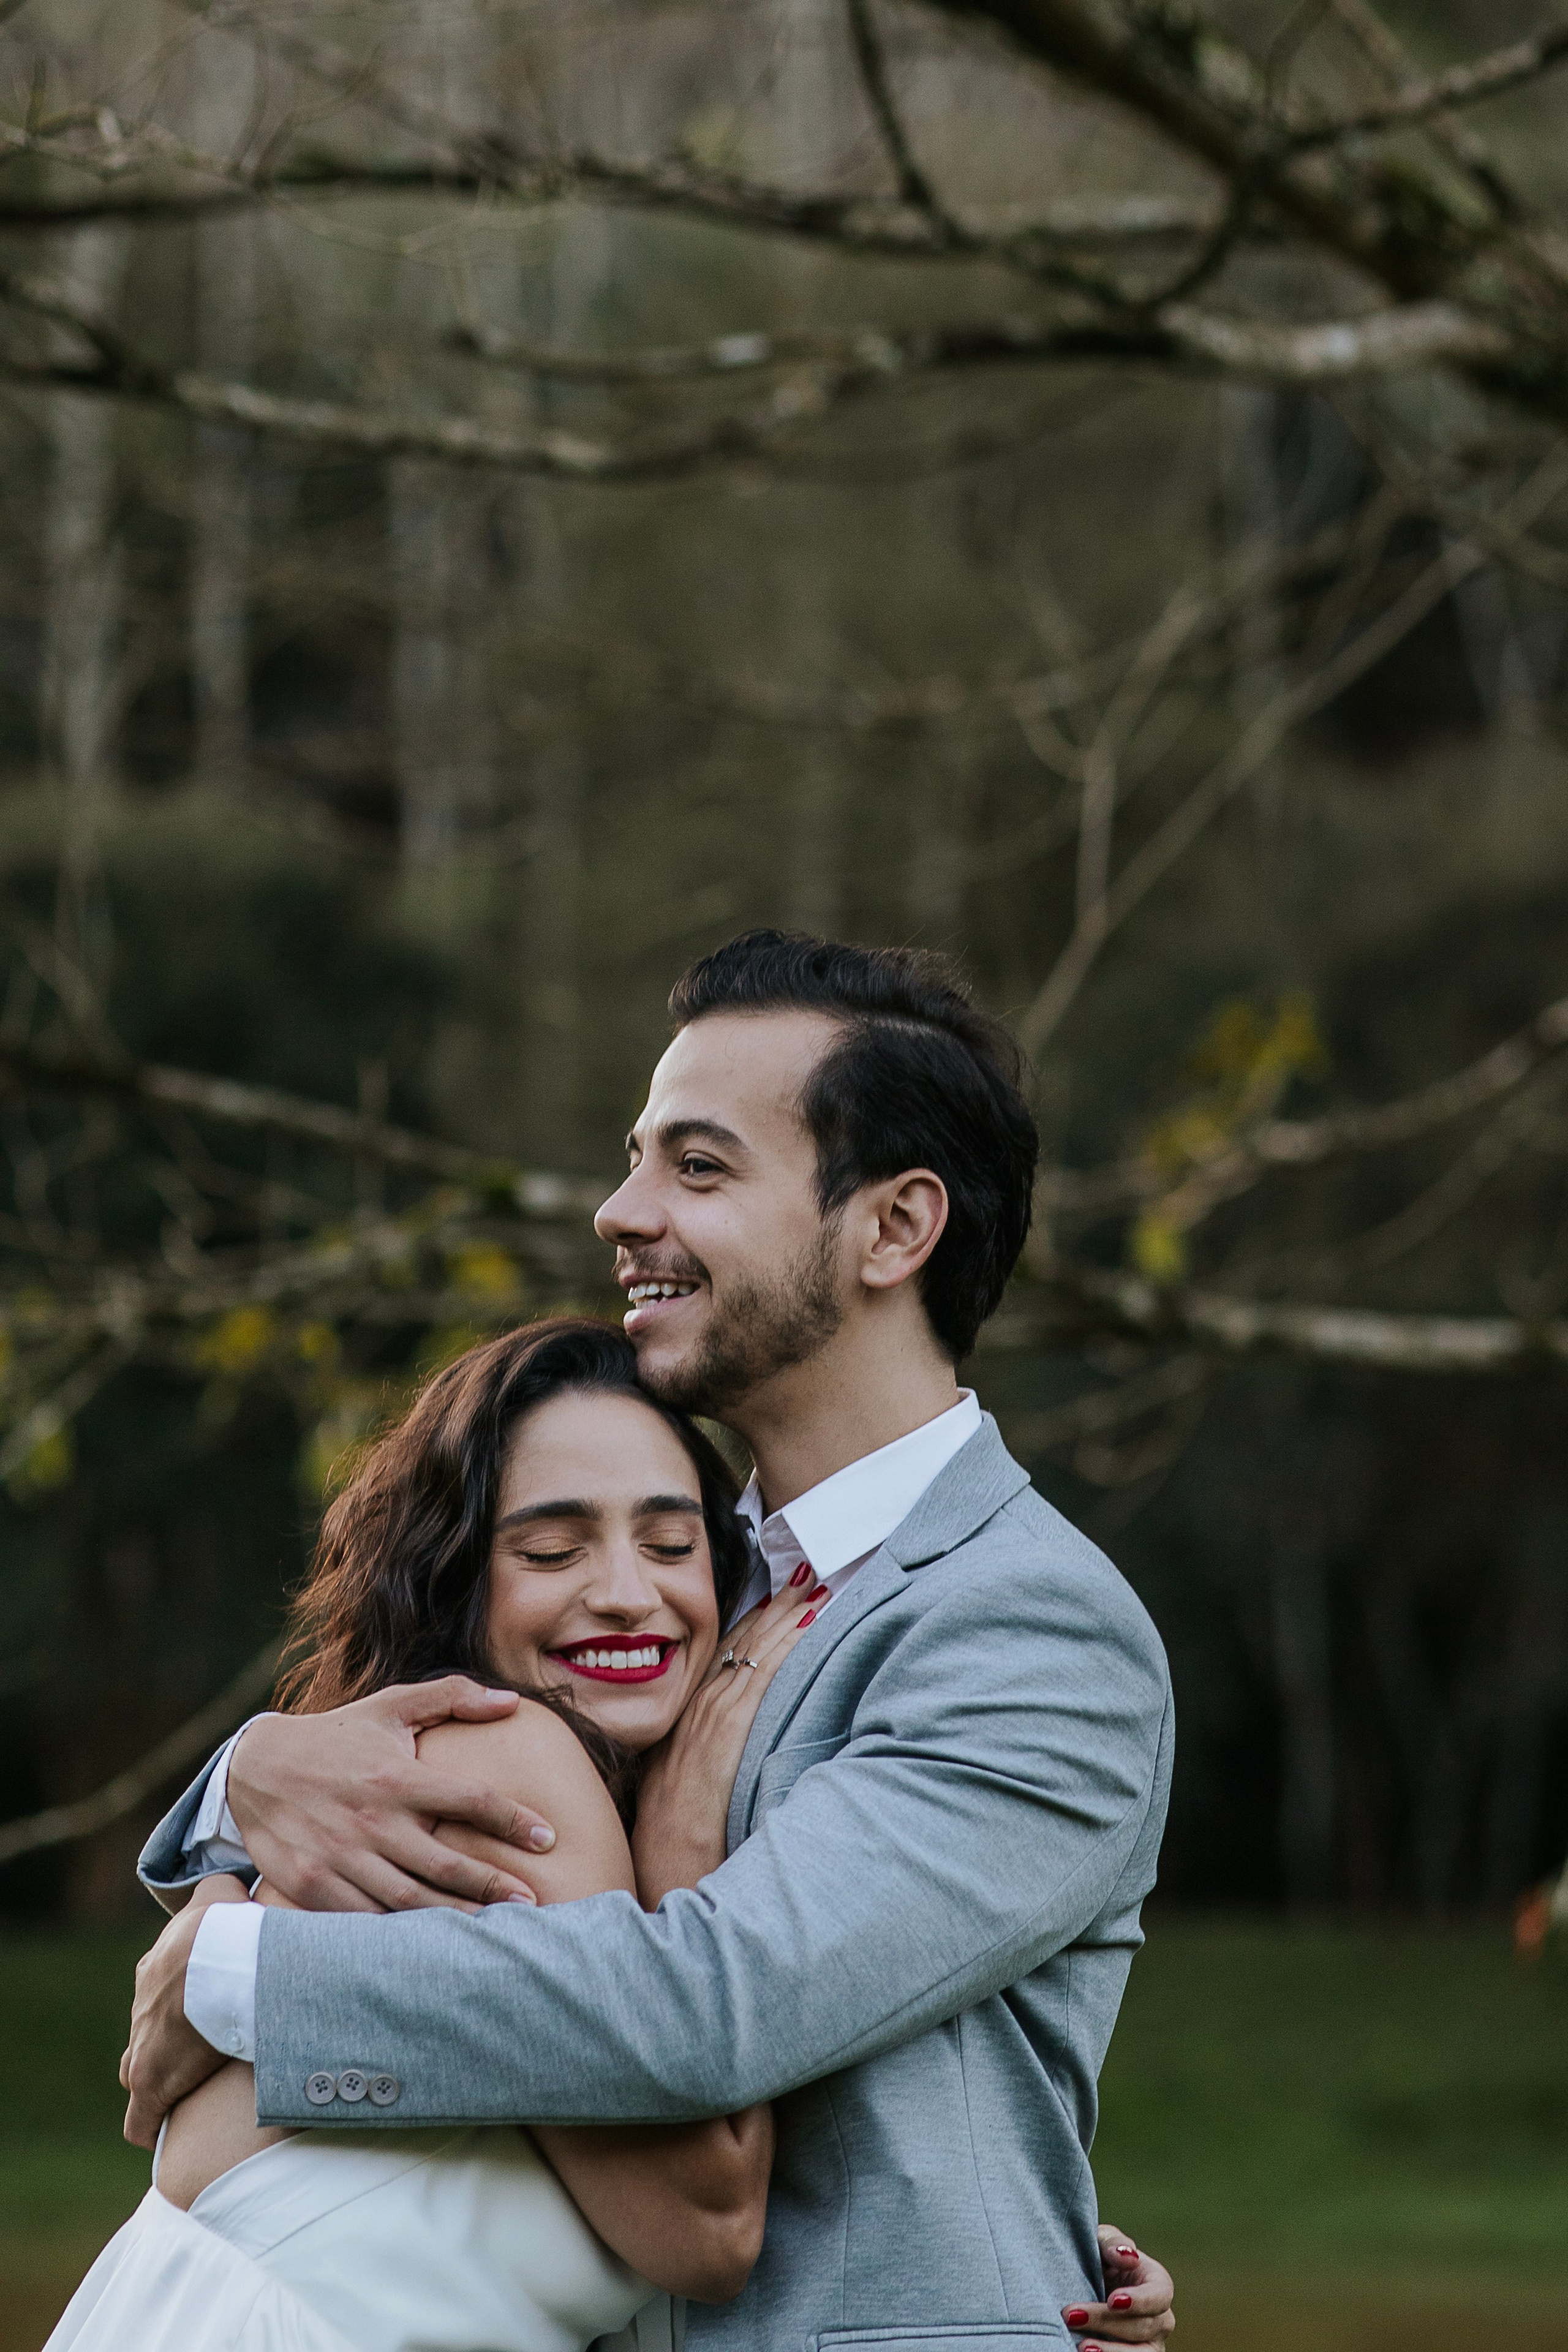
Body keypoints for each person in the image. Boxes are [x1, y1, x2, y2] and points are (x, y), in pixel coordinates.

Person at [126, 932, 1178, 2352]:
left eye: (696, 1167)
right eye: (637, 1159)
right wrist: (249, 1777)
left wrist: (242, 1979)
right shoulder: (677, 1584)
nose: (621, 1211)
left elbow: (712, 2009)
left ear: (891, 1229)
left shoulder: (1028, 1626)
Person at [53, 1317, 824, 2351]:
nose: (629, 1595)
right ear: (458, 1575)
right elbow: (709, 2226)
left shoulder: (470, 1790)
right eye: (552, 1550)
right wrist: (690, 1829)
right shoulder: (504, 1766)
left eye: (671, 1542)